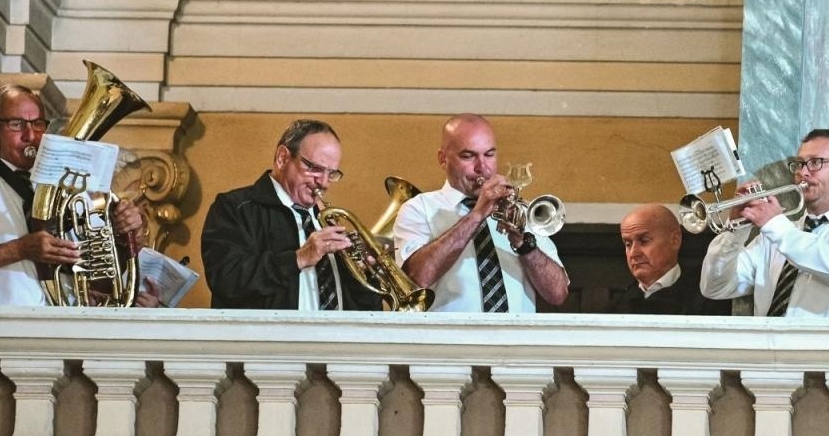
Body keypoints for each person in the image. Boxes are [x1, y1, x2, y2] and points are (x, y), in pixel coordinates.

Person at [0, 84, 146, 305]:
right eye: (16, 124)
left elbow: (103, 272)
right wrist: (20, 249)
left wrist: (127, 234)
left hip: (65, 326)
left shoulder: (76, 187)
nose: (30, 135)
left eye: (37, 124)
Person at [700, 128, 829, 319]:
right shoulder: (776, 234)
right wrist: (735, 230)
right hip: (765, 348)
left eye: (816, 162)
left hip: (827, 349)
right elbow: (715, 288)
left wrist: (776, 226)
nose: (803, 172)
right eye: (799, 164)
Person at [393, 114, 569, 313]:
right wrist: (476, 215)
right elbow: (415, 280)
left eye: (489, 155)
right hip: (449, 341)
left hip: (514, 340)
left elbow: (558, 294)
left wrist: (524, 245)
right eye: (468, 156)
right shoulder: (419, 208)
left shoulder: (520, 211)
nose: (482, 168)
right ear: (443, 159)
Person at [200, 119, 379, 311]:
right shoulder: (235, 207)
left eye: (332, 173)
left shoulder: (328, 220)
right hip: (267, 340)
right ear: (283, 158)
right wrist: (299, 258)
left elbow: (366, 310)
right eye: (315, 168)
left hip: (336, 339)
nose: (324, 183)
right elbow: (226, 281)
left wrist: (364, 276)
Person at [611, 204, 731, 315]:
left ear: (675, 240)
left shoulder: (707, 295)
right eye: (628, 244)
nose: (633, 253)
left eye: (644, 241)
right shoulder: (617, 305)